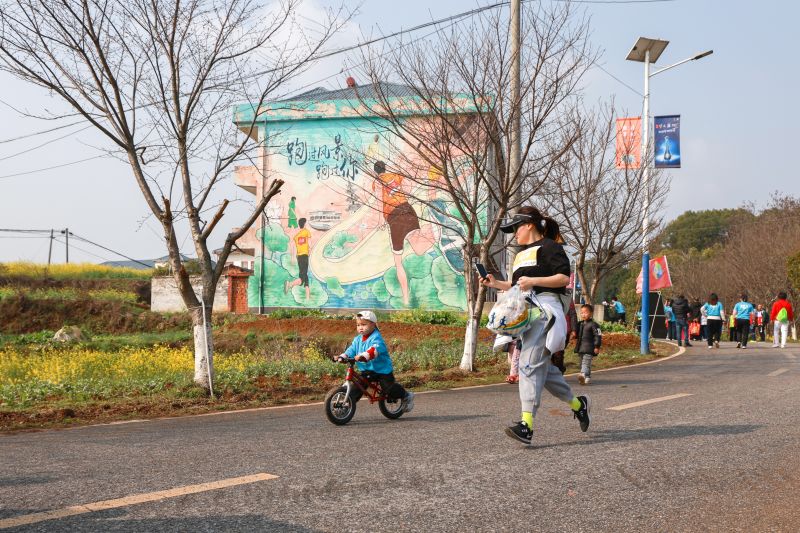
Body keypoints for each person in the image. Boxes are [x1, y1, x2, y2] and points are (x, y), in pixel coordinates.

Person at [480, 207, 590, 445]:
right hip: (526, 315)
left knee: (528, 365)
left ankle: (526, 426)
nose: (513, 234)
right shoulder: (520, 255)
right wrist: (494, 283)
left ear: (529, 224)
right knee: (544, 371)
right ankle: (578, 405)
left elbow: (563, 279)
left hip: (545, 312)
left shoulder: (551, 247)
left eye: (515, 228)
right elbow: (516, 285)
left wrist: (534, 281)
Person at [371, 161, 435, 305]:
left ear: (376, 172)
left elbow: (377, 201)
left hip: (395, 218)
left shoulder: (377, 182)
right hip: (408, 209)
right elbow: (408, 188)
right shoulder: (396, 176)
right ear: (385, 168)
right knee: (419, 250)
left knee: (398, 263)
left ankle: (405, 298)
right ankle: (435, 233)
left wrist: (380, 222)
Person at [335, 310, 414, 412]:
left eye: (364, 324)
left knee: (388, 388)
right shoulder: (357, 339)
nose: (360, 327)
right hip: (368, 370)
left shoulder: (376, 337)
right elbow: (351, 349)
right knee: (357, 387)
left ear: (373, 324)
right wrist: (343, 356)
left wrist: (364, 355)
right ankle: (347, 405)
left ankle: (406, 395)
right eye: (358, 325)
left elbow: (375, 349)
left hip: (382, 370)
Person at [574, 304, 602, 385]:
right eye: (582, 313)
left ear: (591, 313)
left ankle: (582, 374)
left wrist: (597, 346)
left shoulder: (594, 325)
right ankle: (587, 377)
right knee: (583, 363)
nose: (583, 314)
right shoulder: (580, 324)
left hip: (590, 348)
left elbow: (598, 336)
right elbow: (577, 334)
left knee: (585, 363)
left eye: (585, 312)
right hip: (580, 348)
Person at [285, 217, 312, 299]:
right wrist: (310, 253)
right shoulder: (307, 232)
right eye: (306, 223)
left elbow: (292, 246)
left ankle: (307, 298)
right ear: (304, 224)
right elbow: (310, 244)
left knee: (305, 277)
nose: (307, 224)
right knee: (302, 279)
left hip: (299, 257)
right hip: (304, 256)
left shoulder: (296, 236)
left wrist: (293, 257)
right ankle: (290, 284)